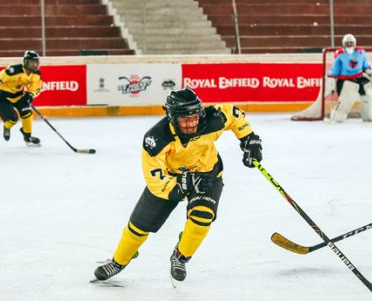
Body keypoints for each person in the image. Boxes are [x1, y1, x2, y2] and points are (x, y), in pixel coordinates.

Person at [93, 88, 263, 282]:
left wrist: (249, 139)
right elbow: (155, 180)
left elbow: (234, 114)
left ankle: (180, 257)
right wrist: (181, 186)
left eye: (194, 117)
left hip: (207, 173)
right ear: (173, 118)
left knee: (202, 218)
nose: (192, 123)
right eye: (185, 119)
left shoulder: (212, 119)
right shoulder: (156, 139)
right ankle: (118, 261)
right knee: (139, 226)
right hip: (170, 178)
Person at [0, 50, 42, 146]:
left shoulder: (36, 74)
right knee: (13, 118)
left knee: (27, 114)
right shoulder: (13, 71)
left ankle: (27, 137)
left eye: (36, 63)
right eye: (32, 62)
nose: (34, 65)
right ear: (25, 62)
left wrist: (30, 95)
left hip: (19, 96)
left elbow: (36, 87)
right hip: (4, 98)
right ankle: (7, 127)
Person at [327, 33, 372, 122]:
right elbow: (334, 70)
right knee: (345, 100)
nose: (349, 45)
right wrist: (331, 82)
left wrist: (370, 72)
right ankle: (338, 116)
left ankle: (369, 114)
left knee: (370, 95)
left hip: (359, 78)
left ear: (354, 43)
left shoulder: (360, 52)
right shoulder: (340, 55)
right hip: (345, 80)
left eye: (351, 42)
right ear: (343, 44)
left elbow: (365, 66)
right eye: (347, 43)